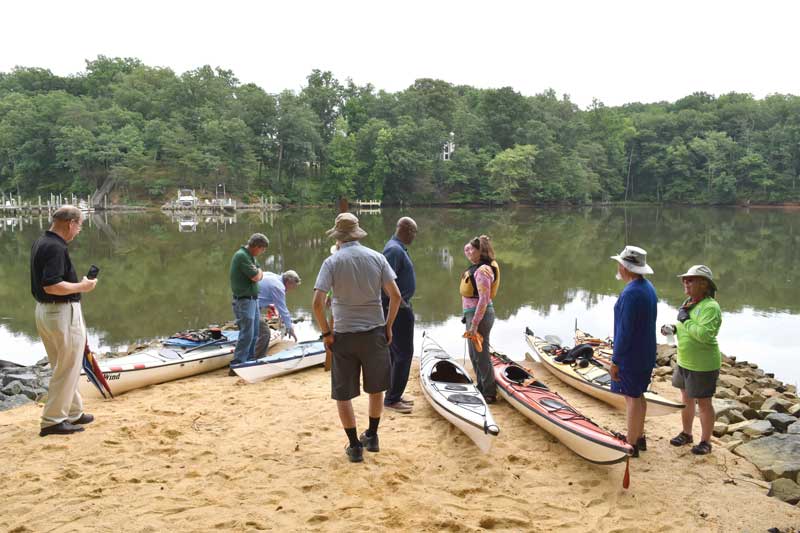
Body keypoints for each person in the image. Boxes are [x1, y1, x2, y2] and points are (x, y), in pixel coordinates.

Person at [312, 213, 402, 463]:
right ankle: (372, 435)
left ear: (338, 237)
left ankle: (354, 446)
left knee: (343, 393)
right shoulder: (378, 258)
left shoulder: (332, 262)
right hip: (374, 331)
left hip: (344, 335)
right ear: (357, 234)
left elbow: (317, 304)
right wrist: (389, 326)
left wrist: (326, 333)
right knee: (376, 388)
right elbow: (396, 297)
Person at [30, 205, 98, 437]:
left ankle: (73, 411)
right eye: (79, 225)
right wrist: (83, 286)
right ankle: (52, 421)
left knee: (63, 363)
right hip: (61, 313)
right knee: (67, 366)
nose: (79, 230)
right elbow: (52, 285)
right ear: (70, 223)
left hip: (45, 311)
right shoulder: (56, 247)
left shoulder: (42, 241)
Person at [662, 265, 722, 456]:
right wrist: (674, 327)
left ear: (704, 284)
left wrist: (685, 320)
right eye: (684, 280)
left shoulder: (711, 307)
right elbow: (686, 327)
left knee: (704, 403)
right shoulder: (689, 302)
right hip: (685, 361)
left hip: (703, 365)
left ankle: (705, 442)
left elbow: (704, 335)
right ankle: (687, 434)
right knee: (686, 399)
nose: (685, 283)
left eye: (690, 280)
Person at [609, 245, 658, 457]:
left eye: (620, 264)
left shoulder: (631, 293)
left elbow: (625, 331)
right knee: (639, 395)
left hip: (632, 354)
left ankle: (631, 444)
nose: (618, 267)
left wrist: (616, 360)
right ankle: (639, 436)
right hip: (646, 351)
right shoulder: (648, 287)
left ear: (626, 267)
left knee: (631, 398)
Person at [381, 217, 418, 414]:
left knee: (396, 354)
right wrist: (397, 303)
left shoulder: (397, 248)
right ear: (406, 230)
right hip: (398, 310)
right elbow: (383, 281)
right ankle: (392, 399)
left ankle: (393, 394)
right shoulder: (393, 250)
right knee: (404, 354)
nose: (414, 236)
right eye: (414, 232)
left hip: (400, 307)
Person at [460, 235, 500, 403]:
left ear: (480, 251)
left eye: (471, 249)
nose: (467, 251)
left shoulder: (483, 271)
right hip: (472, 314)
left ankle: (489, 393)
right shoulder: (476, 267)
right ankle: (481, 386)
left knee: (481, 354)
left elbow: (483, 299)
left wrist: (475, 324)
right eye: (466, 248)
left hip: (480, 316)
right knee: (474, 353)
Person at [229, 233, 268, 371]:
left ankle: (250, 361)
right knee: (247, 333)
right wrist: (259, 273)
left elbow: (259, 272)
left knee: (255, 332)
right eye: (262, 249)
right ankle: (238, 364)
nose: (262, 252)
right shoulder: (242, 256)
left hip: (253, 300)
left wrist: (259, 272)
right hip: (244, 300)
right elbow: (256, 276)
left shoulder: (250, 256)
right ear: (256, 246)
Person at [253, 270, 301, 359]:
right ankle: (257, 360)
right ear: (288, 282)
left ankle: (253, 355)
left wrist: (267, 305)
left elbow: (261, 292)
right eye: (292, 287)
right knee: (265, 333)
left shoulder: (273, 276)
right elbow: (283, 310)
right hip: (249, 306)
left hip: (247, 302)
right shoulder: (278, 286)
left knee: (256, 332)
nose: (291, 290)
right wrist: (290, 328)